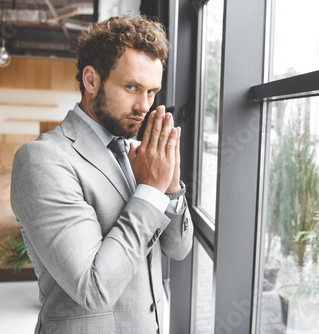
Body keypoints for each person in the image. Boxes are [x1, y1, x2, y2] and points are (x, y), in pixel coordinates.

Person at [10, 12, 193, 334]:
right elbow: (93, 289)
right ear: (91, 80)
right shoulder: (42, 160)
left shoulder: (139, 153)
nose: (144, 105)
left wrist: (171, 185)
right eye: (132, 87)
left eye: (152, 91)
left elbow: (177, 249)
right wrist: (150, 189)